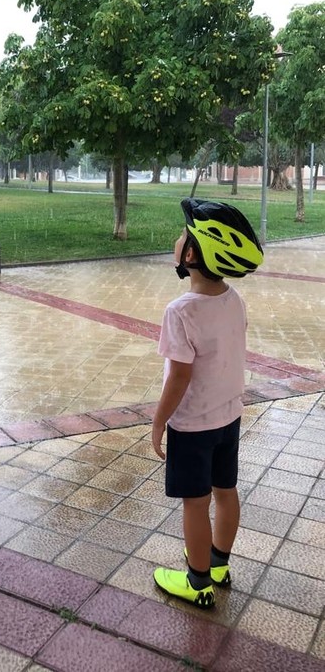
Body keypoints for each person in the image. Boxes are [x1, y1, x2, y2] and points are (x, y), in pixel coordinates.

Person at [151, 198, 264, 609]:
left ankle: (198, 583)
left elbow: (179, 376)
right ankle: (218, 564)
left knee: (195, 503)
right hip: (229, 416)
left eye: (183, 235)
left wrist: (159, 421)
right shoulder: (233, 299)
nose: (176, 239)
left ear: (194, 254)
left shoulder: (179, 311)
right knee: (225, 490)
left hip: (193, 424)